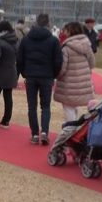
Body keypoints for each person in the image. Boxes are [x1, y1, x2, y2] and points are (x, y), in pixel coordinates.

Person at [17, 14, 63, 145]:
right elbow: (58, 61)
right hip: (47, 76)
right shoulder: (53, 41)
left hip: (31, 75)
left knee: (32, 106)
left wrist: (24, 73)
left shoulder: (26, 39)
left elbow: (19, 59)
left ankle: (35, 134)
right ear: (48, 23)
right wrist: (53, 74)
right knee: (45, 106)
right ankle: (44, 132)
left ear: (36, 22)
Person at [53, 22, 96, 123]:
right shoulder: (87, 45)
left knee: (69, 109)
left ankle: (71, 131)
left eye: (66, 30)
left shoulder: (66, 48)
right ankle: (75, 129)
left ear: (71, 31)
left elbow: (62, 68)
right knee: (75, 107)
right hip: (83, 82)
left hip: (69, 84)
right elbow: (92, 63)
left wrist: (57, 76)